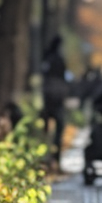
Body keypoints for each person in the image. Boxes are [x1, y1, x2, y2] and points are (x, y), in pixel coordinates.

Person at [40, 34, 71, 170]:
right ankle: (55, 159)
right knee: (59, 129)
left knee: (45, 129)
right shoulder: (59, 60)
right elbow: (64, 78)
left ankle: (44, 158)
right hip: (57, 99)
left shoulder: (47, 59)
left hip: (47, 98)